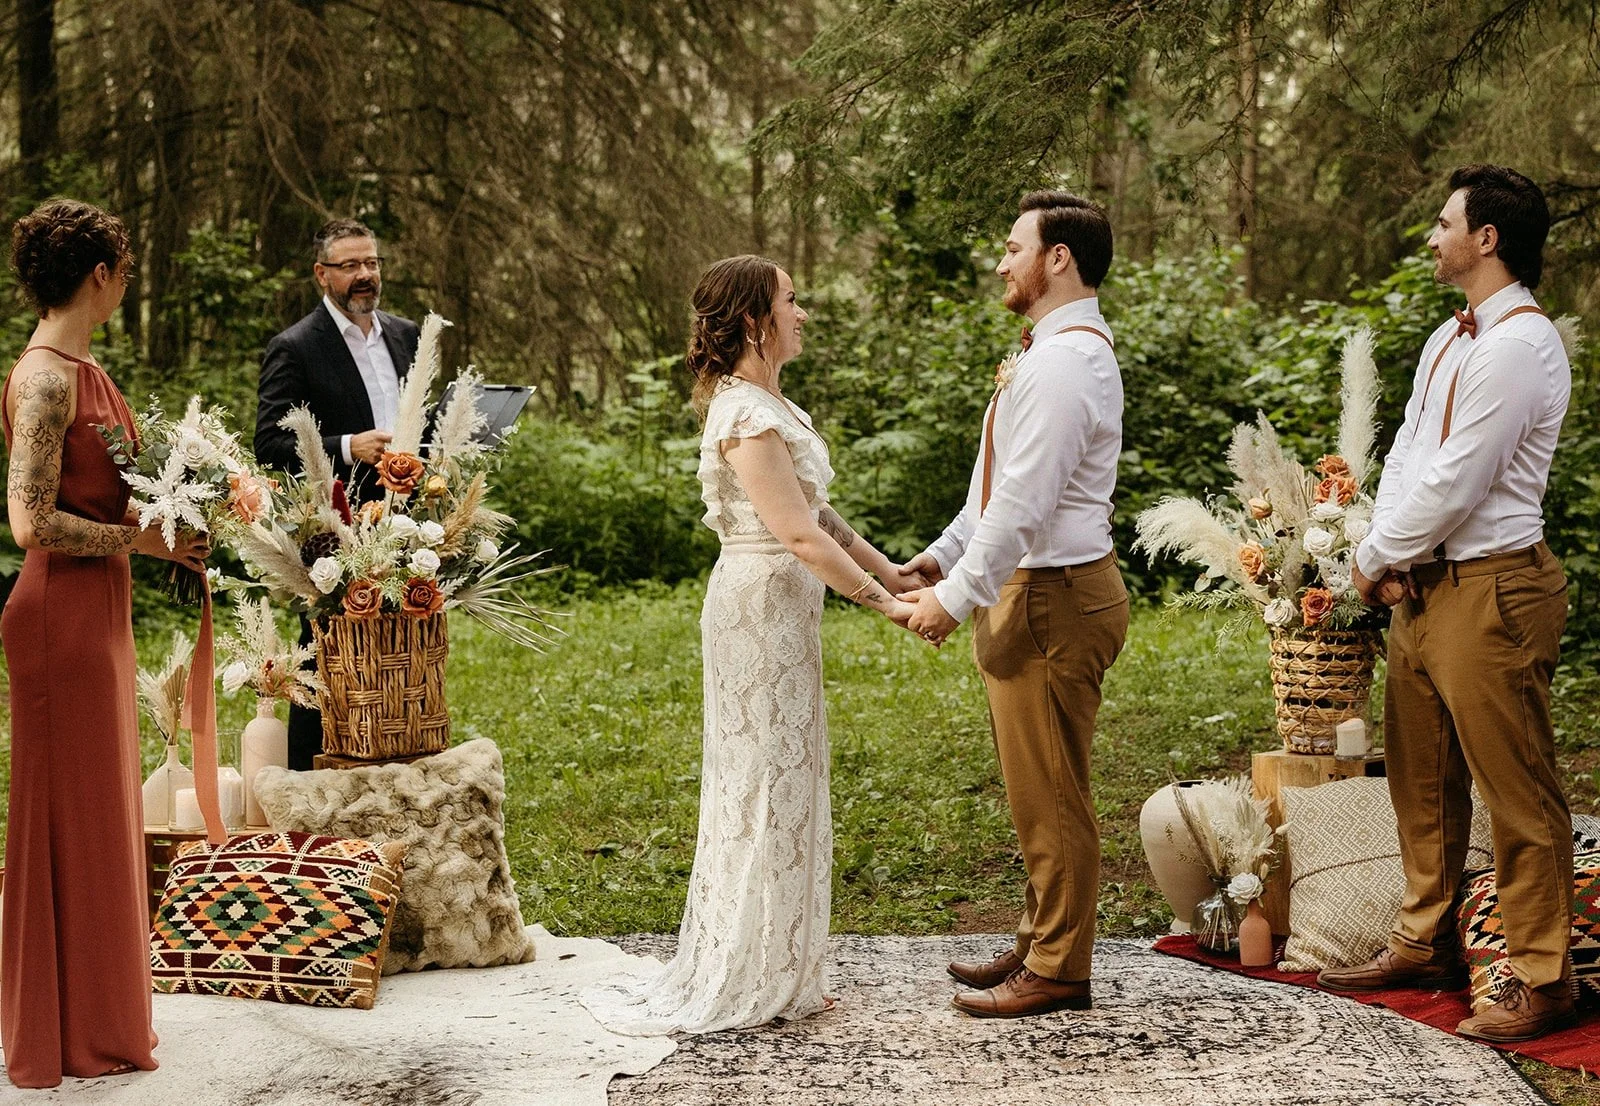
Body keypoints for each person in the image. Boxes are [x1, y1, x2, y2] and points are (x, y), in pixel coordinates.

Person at [581, 255, 921, 1034]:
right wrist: (885, 608)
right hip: (758, 610)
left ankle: (783, 959)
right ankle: (751, 966)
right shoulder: (743, 414)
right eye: (791, 302)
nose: (803, 314)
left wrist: (892, 571)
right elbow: (798, 536)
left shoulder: (772, 406)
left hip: (786, 610)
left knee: (789, 774)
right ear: (753, 321)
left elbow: (825, 518)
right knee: (761, 777)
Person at [1317, 165, 1575, 1043]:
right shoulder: (1448, 338)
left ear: (1487, 239)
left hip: (1493, 585)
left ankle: (1543, 976)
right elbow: (1409, 463)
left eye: (1442, 222)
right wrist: (1382, 559)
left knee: (1519, 789)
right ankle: (1425, 939)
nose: (1431, 236)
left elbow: (1462, 481)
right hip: (1422, 588)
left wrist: (1372, 560)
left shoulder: (1519, 347)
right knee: (1420, 780)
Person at [900, 191, 1128, 1018]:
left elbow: (1027, 504)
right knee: (1036, 789)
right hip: (1035, 589)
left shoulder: (1067, 362)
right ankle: (1042, 936)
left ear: (1057, 257)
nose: (1001, 261)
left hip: (1055, 599)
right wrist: (939, 557)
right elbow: (995, 493)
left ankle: (1062, 967)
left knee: (1055, 790)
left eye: (1013, 245)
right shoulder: (1050, 353)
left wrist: (952, 600)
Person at [1, 199, 207, 1087]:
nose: (124, 285)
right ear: (99, 275)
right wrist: (146, 540)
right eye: (123, 271)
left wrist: (177, 514)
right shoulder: (47, 379)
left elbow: (98, 495)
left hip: (101, 616)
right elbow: (30, 523)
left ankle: (101, 1016)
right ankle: (59, 1030)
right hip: (58, 622)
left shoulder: (93, 371)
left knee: (103, 820)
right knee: (69, 821)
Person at [254, 218, 421, 769]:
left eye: (371, 263)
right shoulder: (296, 347)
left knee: (402, 654)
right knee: (327, 664)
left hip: (405, 524)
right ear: (321, 275)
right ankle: (307, 785)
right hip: (333, 533)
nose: (364, 275)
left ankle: (393, 761)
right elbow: (268, 442)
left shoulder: (405, 335)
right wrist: (349, 446)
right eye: (350, 266)